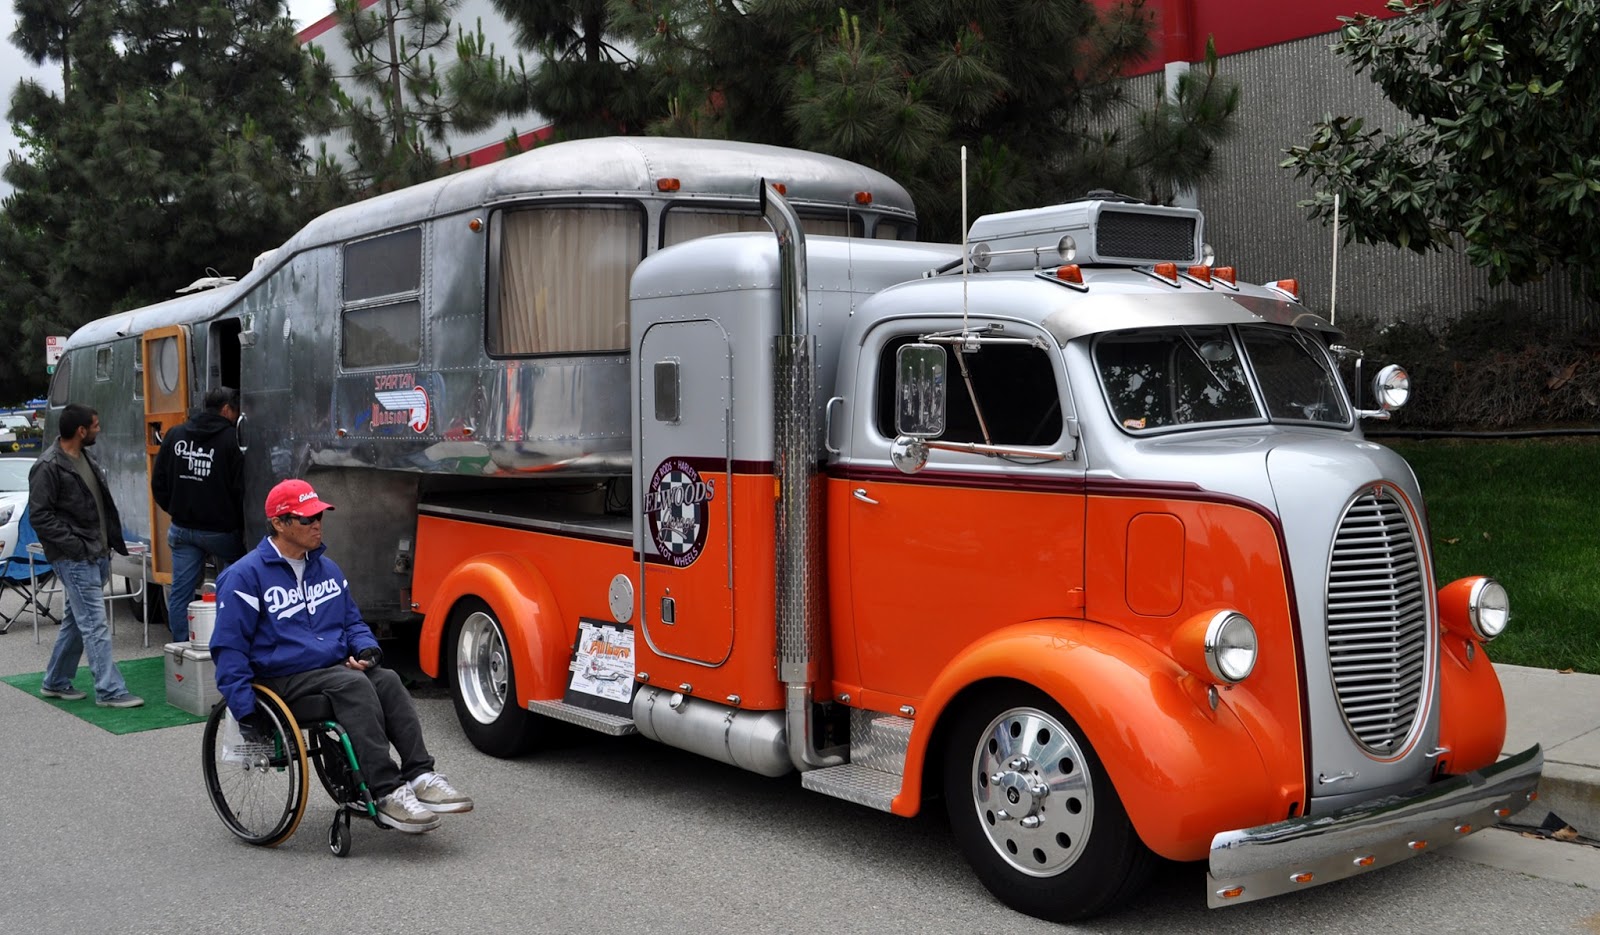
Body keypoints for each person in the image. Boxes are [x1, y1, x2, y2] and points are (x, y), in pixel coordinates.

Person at [210, 478, 472, 832]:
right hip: (279, 679)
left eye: (319, 516)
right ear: (279, 523)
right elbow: (229, 648)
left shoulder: (328, 570)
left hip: (328, 669)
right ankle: (385, 791)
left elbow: (352, 622)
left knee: (389, 680)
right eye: (306, 518)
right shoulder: (244, 577)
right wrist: (245, 711)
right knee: (352, 684)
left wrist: (367, 649)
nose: (317, 523)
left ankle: (421, 774)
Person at [30, 403, 143, 708]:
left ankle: (55, 681)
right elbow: (40, 517)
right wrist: (75, 546)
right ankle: (109, 690)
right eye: (95, 425)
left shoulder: (85, 457)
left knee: (75, 622)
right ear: (81, 431)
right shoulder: (48, 466)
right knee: (94, 624)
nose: (98, 429)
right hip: (76, 558)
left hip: (95, 553)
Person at [151, 386, 245, 642]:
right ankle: (229, 643)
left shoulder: (176, 434)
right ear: (226, 409)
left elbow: (158, 482)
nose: (238, 416)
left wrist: (177, 509)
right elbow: (240, 489)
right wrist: (236, 521)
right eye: (236, 410)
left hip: (182, 528)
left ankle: (182, 647)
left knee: (181, 592)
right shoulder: (231, 440)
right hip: (222, 531)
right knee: (233, 588)